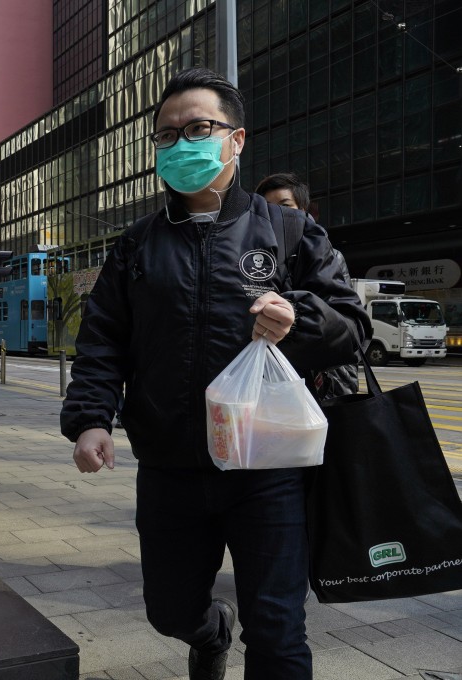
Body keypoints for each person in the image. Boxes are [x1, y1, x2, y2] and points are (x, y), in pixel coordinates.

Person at [60, 68, 370, 680]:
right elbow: (103, 342)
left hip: (270, 468)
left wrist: (299, 317)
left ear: (236, 139)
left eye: (199, 127)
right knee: (168, 610)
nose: (182, 143)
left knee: (279, 633)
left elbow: (352, 327)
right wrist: (91, 420)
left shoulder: (289, 231)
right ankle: (211, 630)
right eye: (167, 134)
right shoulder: (136, 246)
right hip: (172, 466)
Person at [255, 173, 360, 399]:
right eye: (268, 208)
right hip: (270, 379)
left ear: (303, 209)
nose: (277, 214)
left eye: (285, 206)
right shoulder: (258, 256)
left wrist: (296, 318)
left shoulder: (326, 255)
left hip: (320, 379)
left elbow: (346, 325)